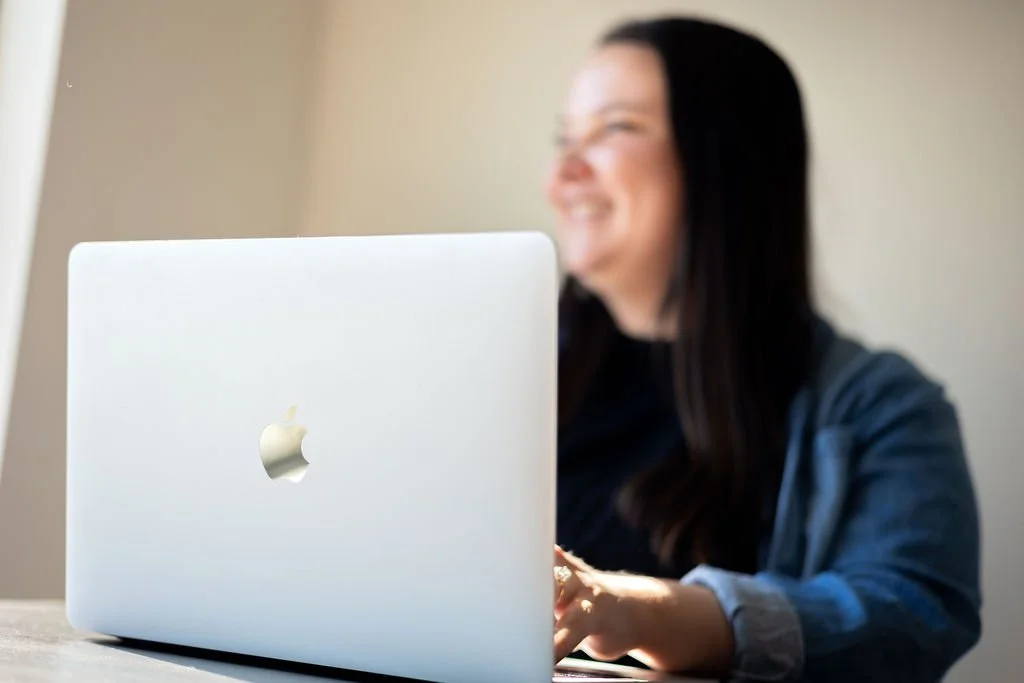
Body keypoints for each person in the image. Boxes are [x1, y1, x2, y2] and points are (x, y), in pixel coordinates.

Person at [545, 15, 982, 683]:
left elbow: (915, 614)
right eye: (564, 138)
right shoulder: (507, 372)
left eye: (615, 128)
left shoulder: (880, 407)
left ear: (727, 162)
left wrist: (634, 611)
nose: (567, 171)